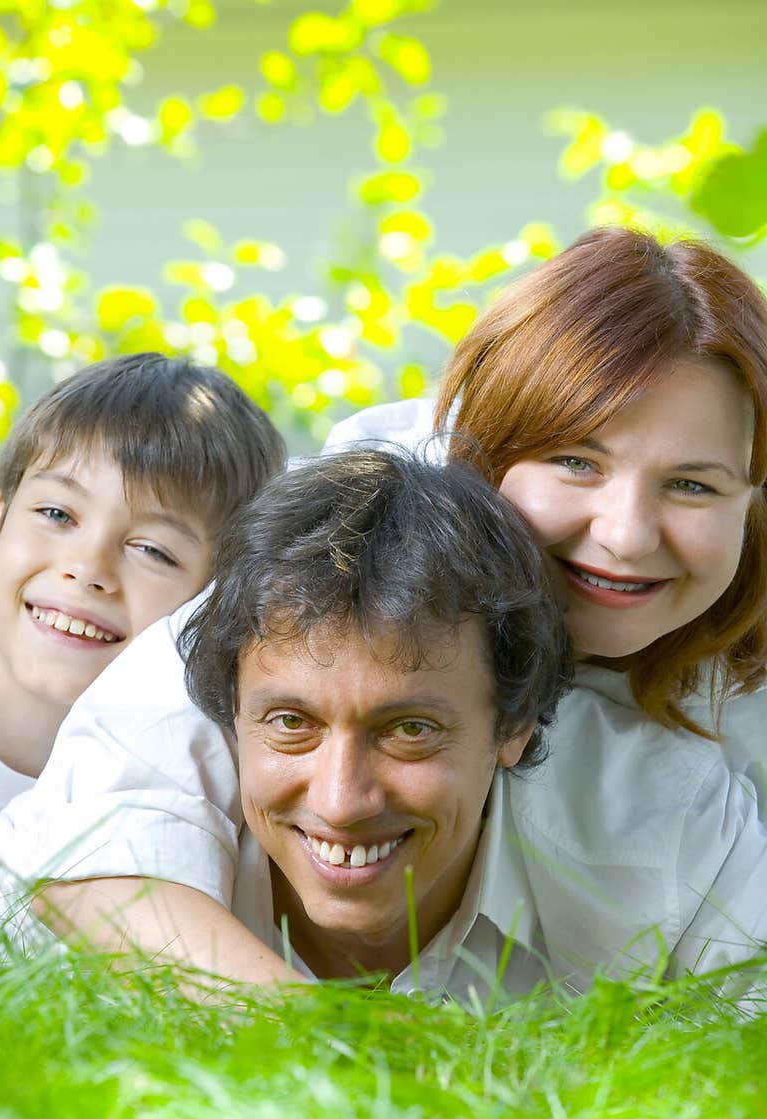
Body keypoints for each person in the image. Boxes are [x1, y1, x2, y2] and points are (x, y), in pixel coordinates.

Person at [0, 450, 765, 1010]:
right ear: (225, 716)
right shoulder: (93, 844)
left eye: (410, 730)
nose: (341, 800)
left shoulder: (666, 836)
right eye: (289, 724)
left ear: (514, 722)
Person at [322, 225, 767, 806]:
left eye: (691, 485)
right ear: (479, 446)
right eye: (577, 463)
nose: (626, 536)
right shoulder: (365, 502)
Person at [0, 352, 285, 883]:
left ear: (213, 606)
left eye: (152, 550)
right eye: (56, 514)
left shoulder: (198, 775)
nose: (87, 568)